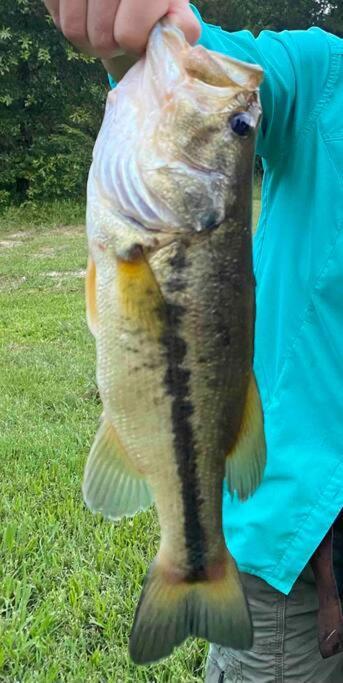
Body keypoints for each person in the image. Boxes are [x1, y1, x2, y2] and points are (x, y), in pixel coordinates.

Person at [44, 1, 343, 680]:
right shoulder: (327, 76)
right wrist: (136, 26)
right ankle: (194, 558)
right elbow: (195, 52)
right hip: (299, 553)